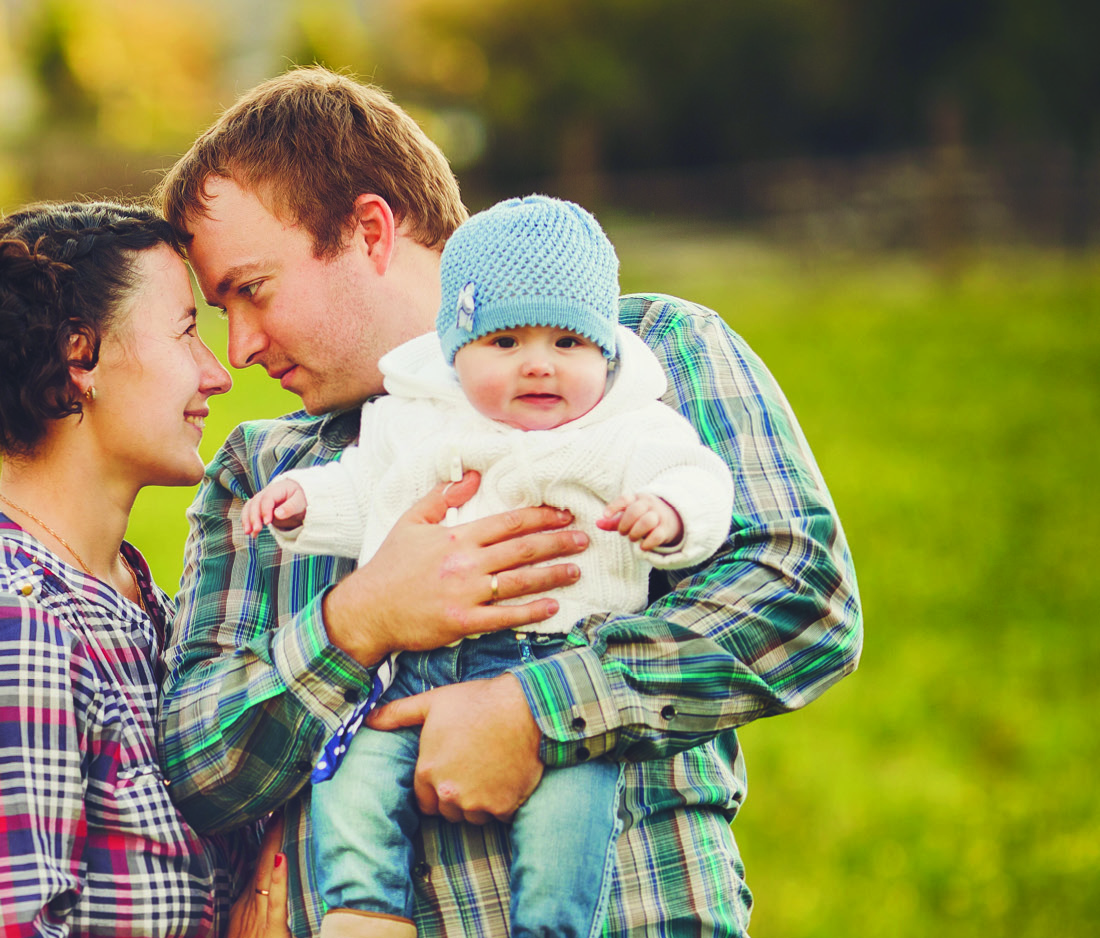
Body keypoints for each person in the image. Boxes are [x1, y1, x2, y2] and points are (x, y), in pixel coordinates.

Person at [151, 68, 862, 938]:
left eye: (251, 290)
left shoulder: (648, 358)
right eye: (219, 310)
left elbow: (801, 593)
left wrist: (538, 709)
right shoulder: (266, 474)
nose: (241, 346)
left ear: (371, 230)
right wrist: (359, 619)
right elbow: (200, 765)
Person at [239, 195, 732, 938]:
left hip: (555, 663)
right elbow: (369, 485)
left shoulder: (624, 425)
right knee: (352, 769)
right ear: (455, 352)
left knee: (573, 814)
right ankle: (365, 907)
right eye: (505, 343)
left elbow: (699, 479)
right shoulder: (419, 419)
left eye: (568, 343)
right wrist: (302, 502)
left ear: (605, 353)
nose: (539, 363)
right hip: (416, 668)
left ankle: (553, 926)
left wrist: (668, 515)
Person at [0, 201, 261, 938]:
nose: (218, 373)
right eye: (188, 331)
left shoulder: (130, 599)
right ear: (82, 357)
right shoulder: (3, 625)